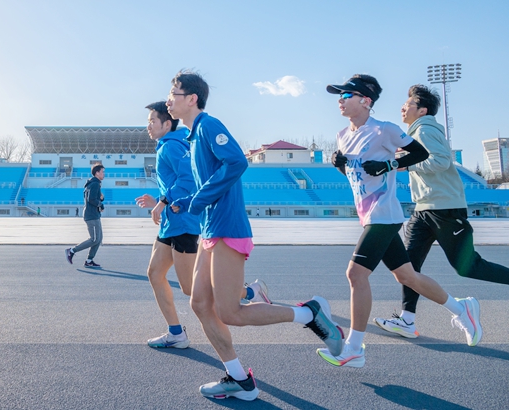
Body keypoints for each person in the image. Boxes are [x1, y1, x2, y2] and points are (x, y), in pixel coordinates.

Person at [166, 70, 344, 401]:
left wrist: (198, 199)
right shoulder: (193, 137)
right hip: (210, 227)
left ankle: (310, 313)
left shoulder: (208, 125)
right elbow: (209, 180)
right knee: (201, 303)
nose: (168, 99)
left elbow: (236, 163)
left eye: (173, 93)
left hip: (227, 226)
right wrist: (185, 201)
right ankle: (240, 380)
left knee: (230, 312)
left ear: (191, 99)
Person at [321, 75, 481, 368]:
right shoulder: (343, 135)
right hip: (368, 214)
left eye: (346, 94)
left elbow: (421, 153)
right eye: (339, 95)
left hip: (384, 214)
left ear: (366, 100)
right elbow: (357, 177)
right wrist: (341, 167)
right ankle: (461, 309)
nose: (340, 100)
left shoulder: (385, 130)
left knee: (356, 275)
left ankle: (354, 347)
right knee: (407, 276)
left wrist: (389, 164)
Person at [374, 84, 508, 338]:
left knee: (468, 267)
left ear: (422, 110)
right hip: (424, 209)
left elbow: (440, 161)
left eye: (408, 104)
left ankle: (464, 308)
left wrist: (404, 165)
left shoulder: (425, 129)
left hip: (444, 209)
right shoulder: (417, 133)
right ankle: (407, 319)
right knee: (408, 269)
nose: (403, 107)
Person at [135, 101, 271, 351]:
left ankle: (247, 293)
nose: (148, 127)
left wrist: (164, 201)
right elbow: (177, 181)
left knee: (191, 289)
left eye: (152, 121)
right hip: (170, 223)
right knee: (155, 273)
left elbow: (188, 178)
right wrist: (160, 201)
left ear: (167, 123)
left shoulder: (172, 147)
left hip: (183, 223)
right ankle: (176, 333)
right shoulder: (169, 145)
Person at [65, 163, 105, 268]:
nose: (104, 174)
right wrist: (101, 204)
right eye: (102, 172)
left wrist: (100, 199)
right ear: (97, 173)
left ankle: (89, 260)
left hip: (93, 214)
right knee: (94, 239)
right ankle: (72, 251)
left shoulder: (92, 183)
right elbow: (91, 199)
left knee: (98, 238)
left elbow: (91, 197)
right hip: (92, 215)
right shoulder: (95, 184)